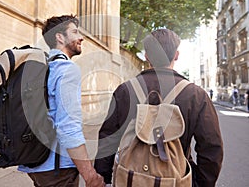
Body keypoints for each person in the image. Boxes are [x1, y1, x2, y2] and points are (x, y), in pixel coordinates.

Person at [94, 29, 223, 187]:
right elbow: (211, 148)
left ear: (147, 56)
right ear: (176, 55)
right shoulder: (196, 95)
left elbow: (107, 140)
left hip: (129, 178)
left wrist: (104, 178)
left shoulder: (125, 90)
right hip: (175, 179)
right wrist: (201, 183)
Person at [18, 15, 105, 187]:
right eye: (74, 32)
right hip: (57, 169)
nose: (81, 37)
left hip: (35, 164)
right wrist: (90, 176)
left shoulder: (43, 66)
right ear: (59, 37)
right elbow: (69, 127)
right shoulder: (67, 69)